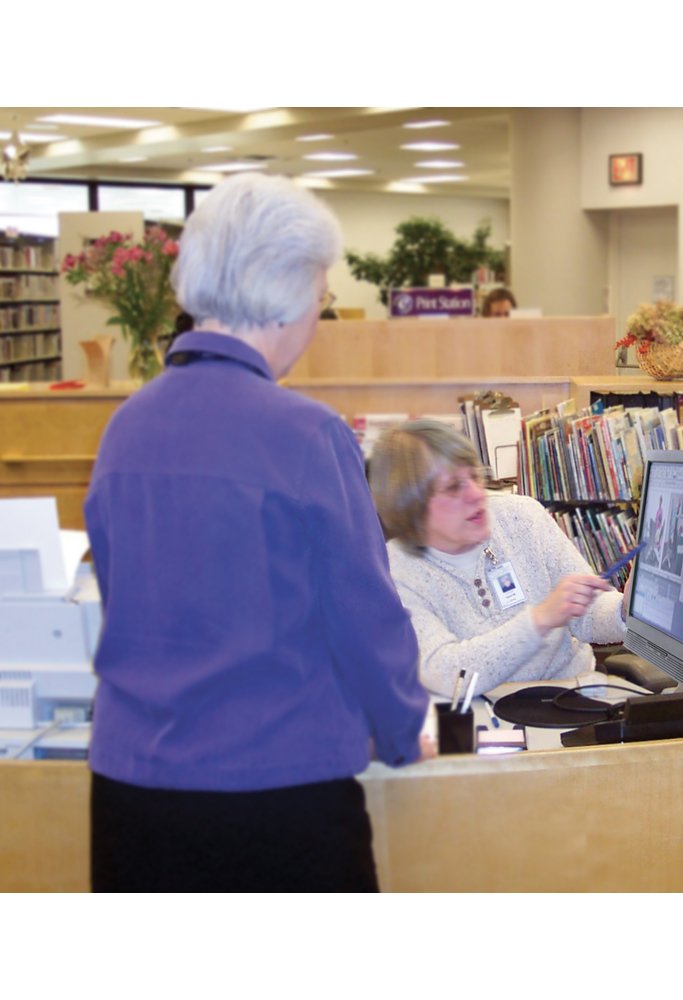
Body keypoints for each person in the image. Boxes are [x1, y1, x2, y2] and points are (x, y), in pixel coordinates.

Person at [84, 173, 430, 893]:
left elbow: (123, 595)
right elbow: (364, 616)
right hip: (279, 796)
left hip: (131, 796)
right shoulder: (306, 434)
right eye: (323, 295)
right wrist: (403, 734)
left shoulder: (126, 428)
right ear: (292, 288)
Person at [368, 420, 628, 697]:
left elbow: (589, 615)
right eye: (454, 486)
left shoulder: (522, 516)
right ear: (411, 506)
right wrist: (541, 619)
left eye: (475, 477)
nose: (476, 494)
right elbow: (448, 674)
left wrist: (626, 608)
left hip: (570, 695)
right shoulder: (393, 573)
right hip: (477, 715)